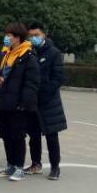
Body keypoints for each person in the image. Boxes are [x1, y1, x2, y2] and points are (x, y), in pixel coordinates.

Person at [0, 23, 40, 182]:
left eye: (9, 35)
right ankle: (11, 165)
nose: (6, 38)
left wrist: (23, 103)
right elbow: (1, 74)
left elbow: (32, 83)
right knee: (6, 135)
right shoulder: (6, 54)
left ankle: (19, 167)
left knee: (17, 136)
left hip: (18, 104)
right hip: (3, 101)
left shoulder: (28, 56)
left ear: (17, 38)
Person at [26, 22, 67, 181]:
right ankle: (35, 164)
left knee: (51, 136)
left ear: (44, 35)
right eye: (31, 35)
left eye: (36, 35)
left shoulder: (54, 53)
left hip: (48, 102)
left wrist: (45, 93)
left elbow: (58, 78)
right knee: (33, 135)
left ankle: (55, 167)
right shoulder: (29, 51)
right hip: (32, 101)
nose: (33, 38)